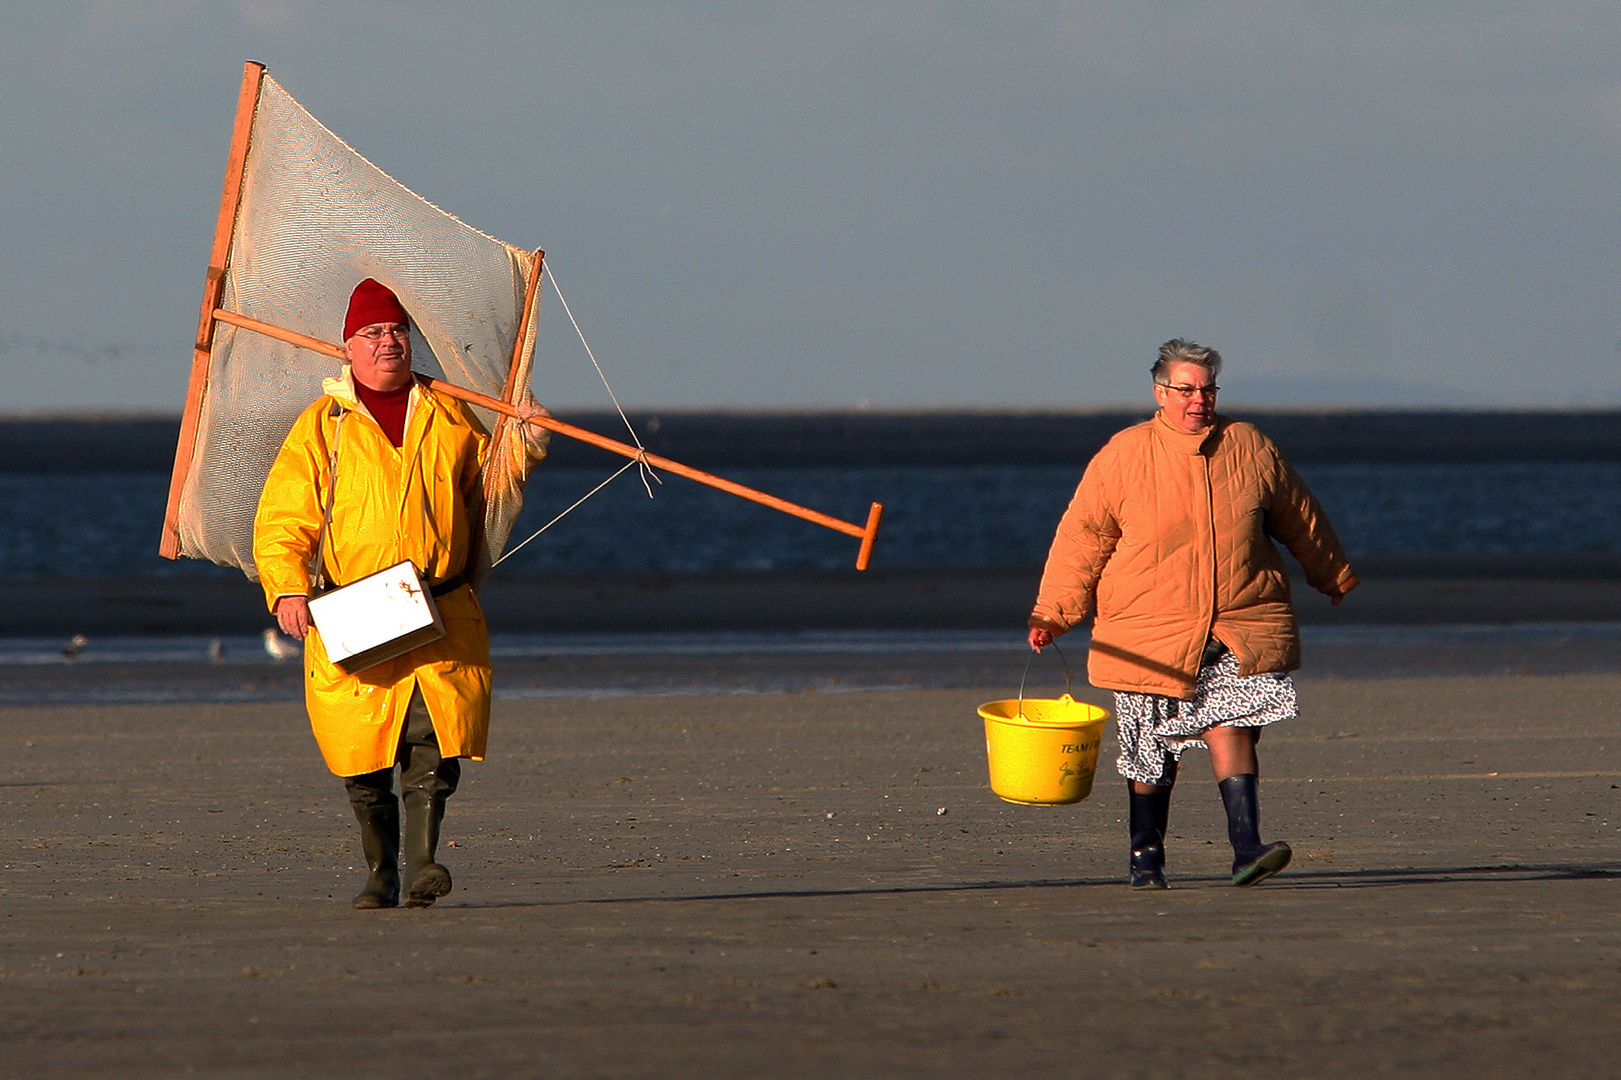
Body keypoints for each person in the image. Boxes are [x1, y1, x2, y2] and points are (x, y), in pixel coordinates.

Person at [254, 278, 548, 909]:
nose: (388, 343)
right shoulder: (322, 427)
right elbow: (283, 521)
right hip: (352, 610)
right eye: (373, 333)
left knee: (430, 743)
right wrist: (287, 590)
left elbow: (492, 483)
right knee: (360, 752)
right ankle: (379, 872)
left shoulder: (448, 413)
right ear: (349, 347)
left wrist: (525, 437)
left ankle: (422, 866)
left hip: (439, 604)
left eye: (396, 331)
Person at [1027, 338, 1357, 889]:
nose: (1198, 399)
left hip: (1236, 618)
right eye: (1186, 389)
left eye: (1207, 389)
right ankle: (1146, 858)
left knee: (1235, 723)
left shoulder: (1248, 445)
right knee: (1150, 748)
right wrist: (1054, 613)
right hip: (1146, 626)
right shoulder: (1124, 455)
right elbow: (1083, 539)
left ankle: (1247, 847)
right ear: (1160, 393)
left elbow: (1300, 514)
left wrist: (1332, 572)